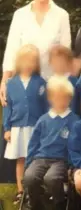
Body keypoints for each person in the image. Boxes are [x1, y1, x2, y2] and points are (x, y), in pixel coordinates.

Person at [1, 0, 70, 105]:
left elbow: (65, 52)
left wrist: (61, 84)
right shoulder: (20, 15)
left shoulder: (61, 15)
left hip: (51, 84)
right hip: (23, 83)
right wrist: (4, 81)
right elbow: (11, 50)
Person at [24, 76, 79, 210]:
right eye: (57, 97)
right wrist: (29, 162)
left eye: (64, 97)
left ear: (70, 99)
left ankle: (58, 204)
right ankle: (35, 204)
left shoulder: (74, 121)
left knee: (52, 178)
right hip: (41, 158)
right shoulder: (43, 120)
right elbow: (34, 143)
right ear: (50, 98)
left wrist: (72, 165)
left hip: (61, 160)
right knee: (30, 176)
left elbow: (76, 145)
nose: (60, 101)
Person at [3, 44, 48, 204]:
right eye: (25, 60)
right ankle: (21, 190)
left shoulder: (41, 82)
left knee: (35, 160)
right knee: (21, 159)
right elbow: (8, 108)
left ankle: (34, 189)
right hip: (18, 128)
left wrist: (45, 128)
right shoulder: (11, 83)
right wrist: (7, 128)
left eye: (32, 61)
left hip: (35, 127)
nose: (29, 64)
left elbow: (45, 107)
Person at [49, 45, 78, 110]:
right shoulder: (48, 82)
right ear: (50, 63)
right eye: (55, 61)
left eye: (61, 61)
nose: (58, 64)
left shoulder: (75, 82)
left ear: (69, 63)